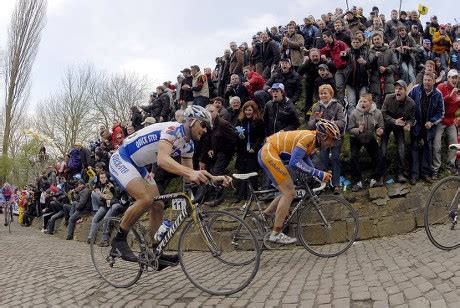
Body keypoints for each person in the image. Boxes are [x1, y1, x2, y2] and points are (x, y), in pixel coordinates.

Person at [108, 105, 230, 265]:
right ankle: (119, 240)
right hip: (122, 158)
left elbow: (188, 176)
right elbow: (163, 160)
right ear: (192, 121)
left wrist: (213, 178)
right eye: (204, 125)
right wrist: (192, 173)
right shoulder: (173, 129)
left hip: (138, 165)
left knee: (157, 203)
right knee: (145, 199)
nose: (205, 130)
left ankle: (155, 252)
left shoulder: (188, 145)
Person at [257, 119, 339, 244]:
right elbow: (294, 162)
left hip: (269, 153)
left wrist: (317, 176)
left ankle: (263, 216)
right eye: (331, 140)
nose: (331, 144)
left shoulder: (312, 142)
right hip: (269, 152)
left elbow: (307, 163)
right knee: (289, 193)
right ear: (323, 136)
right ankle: (276, 233)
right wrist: (319, 173)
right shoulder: (308, 138)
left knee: (288, 191)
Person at [307, 84, 346, 194]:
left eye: (325, 93)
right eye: (321, 93)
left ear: (330, 94)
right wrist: (316, 120)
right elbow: (309, 125)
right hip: (322, 139)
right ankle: (325, 184)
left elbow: (342, 122)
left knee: (335, 158)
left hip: (335, 137)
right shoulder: (315, 107)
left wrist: (332, 124)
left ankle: (336, 184)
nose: (323, 95)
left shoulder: (337, 106)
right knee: (323, 160)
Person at [408, 72, 445, 184]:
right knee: (414, 148)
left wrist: (432, 122)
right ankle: (414, 175)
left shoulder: (438, 94)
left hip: (428, 126)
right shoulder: (415, 89)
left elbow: (441, 112)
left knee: (427, 149)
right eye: (425, 80)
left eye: (429, 80)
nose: (426, 82)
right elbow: (408, 104)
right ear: (422, 80)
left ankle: (425, 173)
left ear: (433, 81)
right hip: (416, 124)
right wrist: (410, 120)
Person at [348, 93, 385, 191]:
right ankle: (357, 181)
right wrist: (358, 130)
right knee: (353, 156)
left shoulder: (378, 113)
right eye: (360, 101)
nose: (362, 104)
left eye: (365, 101)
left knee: (379, 155)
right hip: (356, 138)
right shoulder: (354, 113)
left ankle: (376, 178)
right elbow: (350, 129)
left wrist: (379, 131)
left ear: (371, 103)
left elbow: (381, 127)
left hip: (369, 138)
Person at [381, 80, 415, 183]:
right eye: (396, 88)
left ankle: (400, 173)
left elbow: (411, 118)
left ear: (405, 91)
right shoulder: (388, 98)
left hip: (399, 126)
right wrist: (394, 121)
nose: (397, 91)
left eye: (400, 89)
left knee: (401, 148)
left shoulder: (411, 103)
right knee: (383, 148)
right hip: (387, 124)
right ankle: (381, 174)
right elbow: (383, 113)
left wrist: (408, 125)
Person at [433, 69, 460, 176]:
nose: (454, 80)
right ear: (448, 78)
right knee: (436, 144)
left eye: (456, 78)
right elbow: (437, 103)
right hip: (440, 120)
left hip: (451, 121)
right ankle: (435, 169)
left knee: (454, 142)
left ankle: (450, 165)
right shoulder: (441, 87)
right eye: (452, 77)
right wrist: (449, 96)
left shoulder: (457, 90)